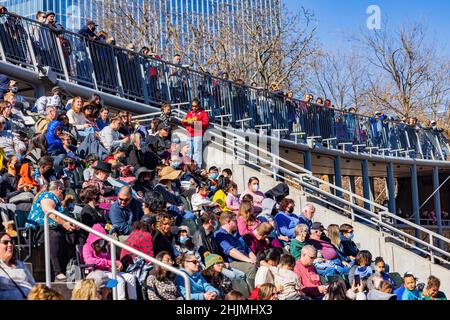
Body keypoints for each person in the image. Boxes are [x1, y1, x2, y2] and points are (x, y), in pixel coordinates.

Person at [25, 181, 77, 281]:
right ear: (59, 189)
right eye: (64, 191)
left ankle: (74, 266)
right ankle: (57, 272)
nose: (64, 194)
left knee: (73, 234)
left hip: (50, 228)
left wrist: (71, 224)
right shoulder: (48, 195)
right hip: (36, 230)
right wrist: (64, 223)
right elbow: (48, 210)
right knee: (54, 235)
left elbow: (63, 219)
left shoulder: (58, 203)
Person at [82, 223, 137, 300]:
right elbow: (90, 261)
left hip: (107, 272)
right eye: (98, 242)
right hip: (95, 274)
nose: (100, 245)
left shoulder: (104, 248)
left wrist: (116, 264)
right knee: (118, 280)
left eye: (102, 241)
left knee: (131, 277)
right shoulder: (86, 247)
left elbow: (110, 261)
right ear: (93, 240)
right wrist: (110, 263)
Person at [214, 211, 257, 296]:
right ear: (228, 221)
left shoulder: (236, 234)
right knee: (251, 268)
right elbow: (230, 251)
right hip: (232, 262)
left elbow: (247, 249)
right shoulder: (220, 235)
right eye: (235, 221)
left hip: (244, 259)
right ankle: (254, 296)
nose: (237, 223)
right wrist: (248, 260)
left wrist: (254, 258)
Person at [0, 232, 36, 299]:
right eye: (5, 242)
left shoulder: (20, 264)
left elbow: (33, 284)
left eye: (11, 242)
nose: (10, 245)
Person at [181, 98, 209, 167]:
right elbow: (184, 123)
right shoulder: (189, 113)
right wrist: (184, 121)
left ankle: (197, 167)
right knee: (189, 151)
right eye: (193, 106)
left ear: (199, 105)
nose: (194, 107)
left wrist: (194, 123)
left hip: (198, 133)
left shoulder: (203, 113)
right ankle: (188, 166)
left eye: (196, 106)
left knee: (197, 151)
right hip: (189, 134)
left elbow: (206, 123)